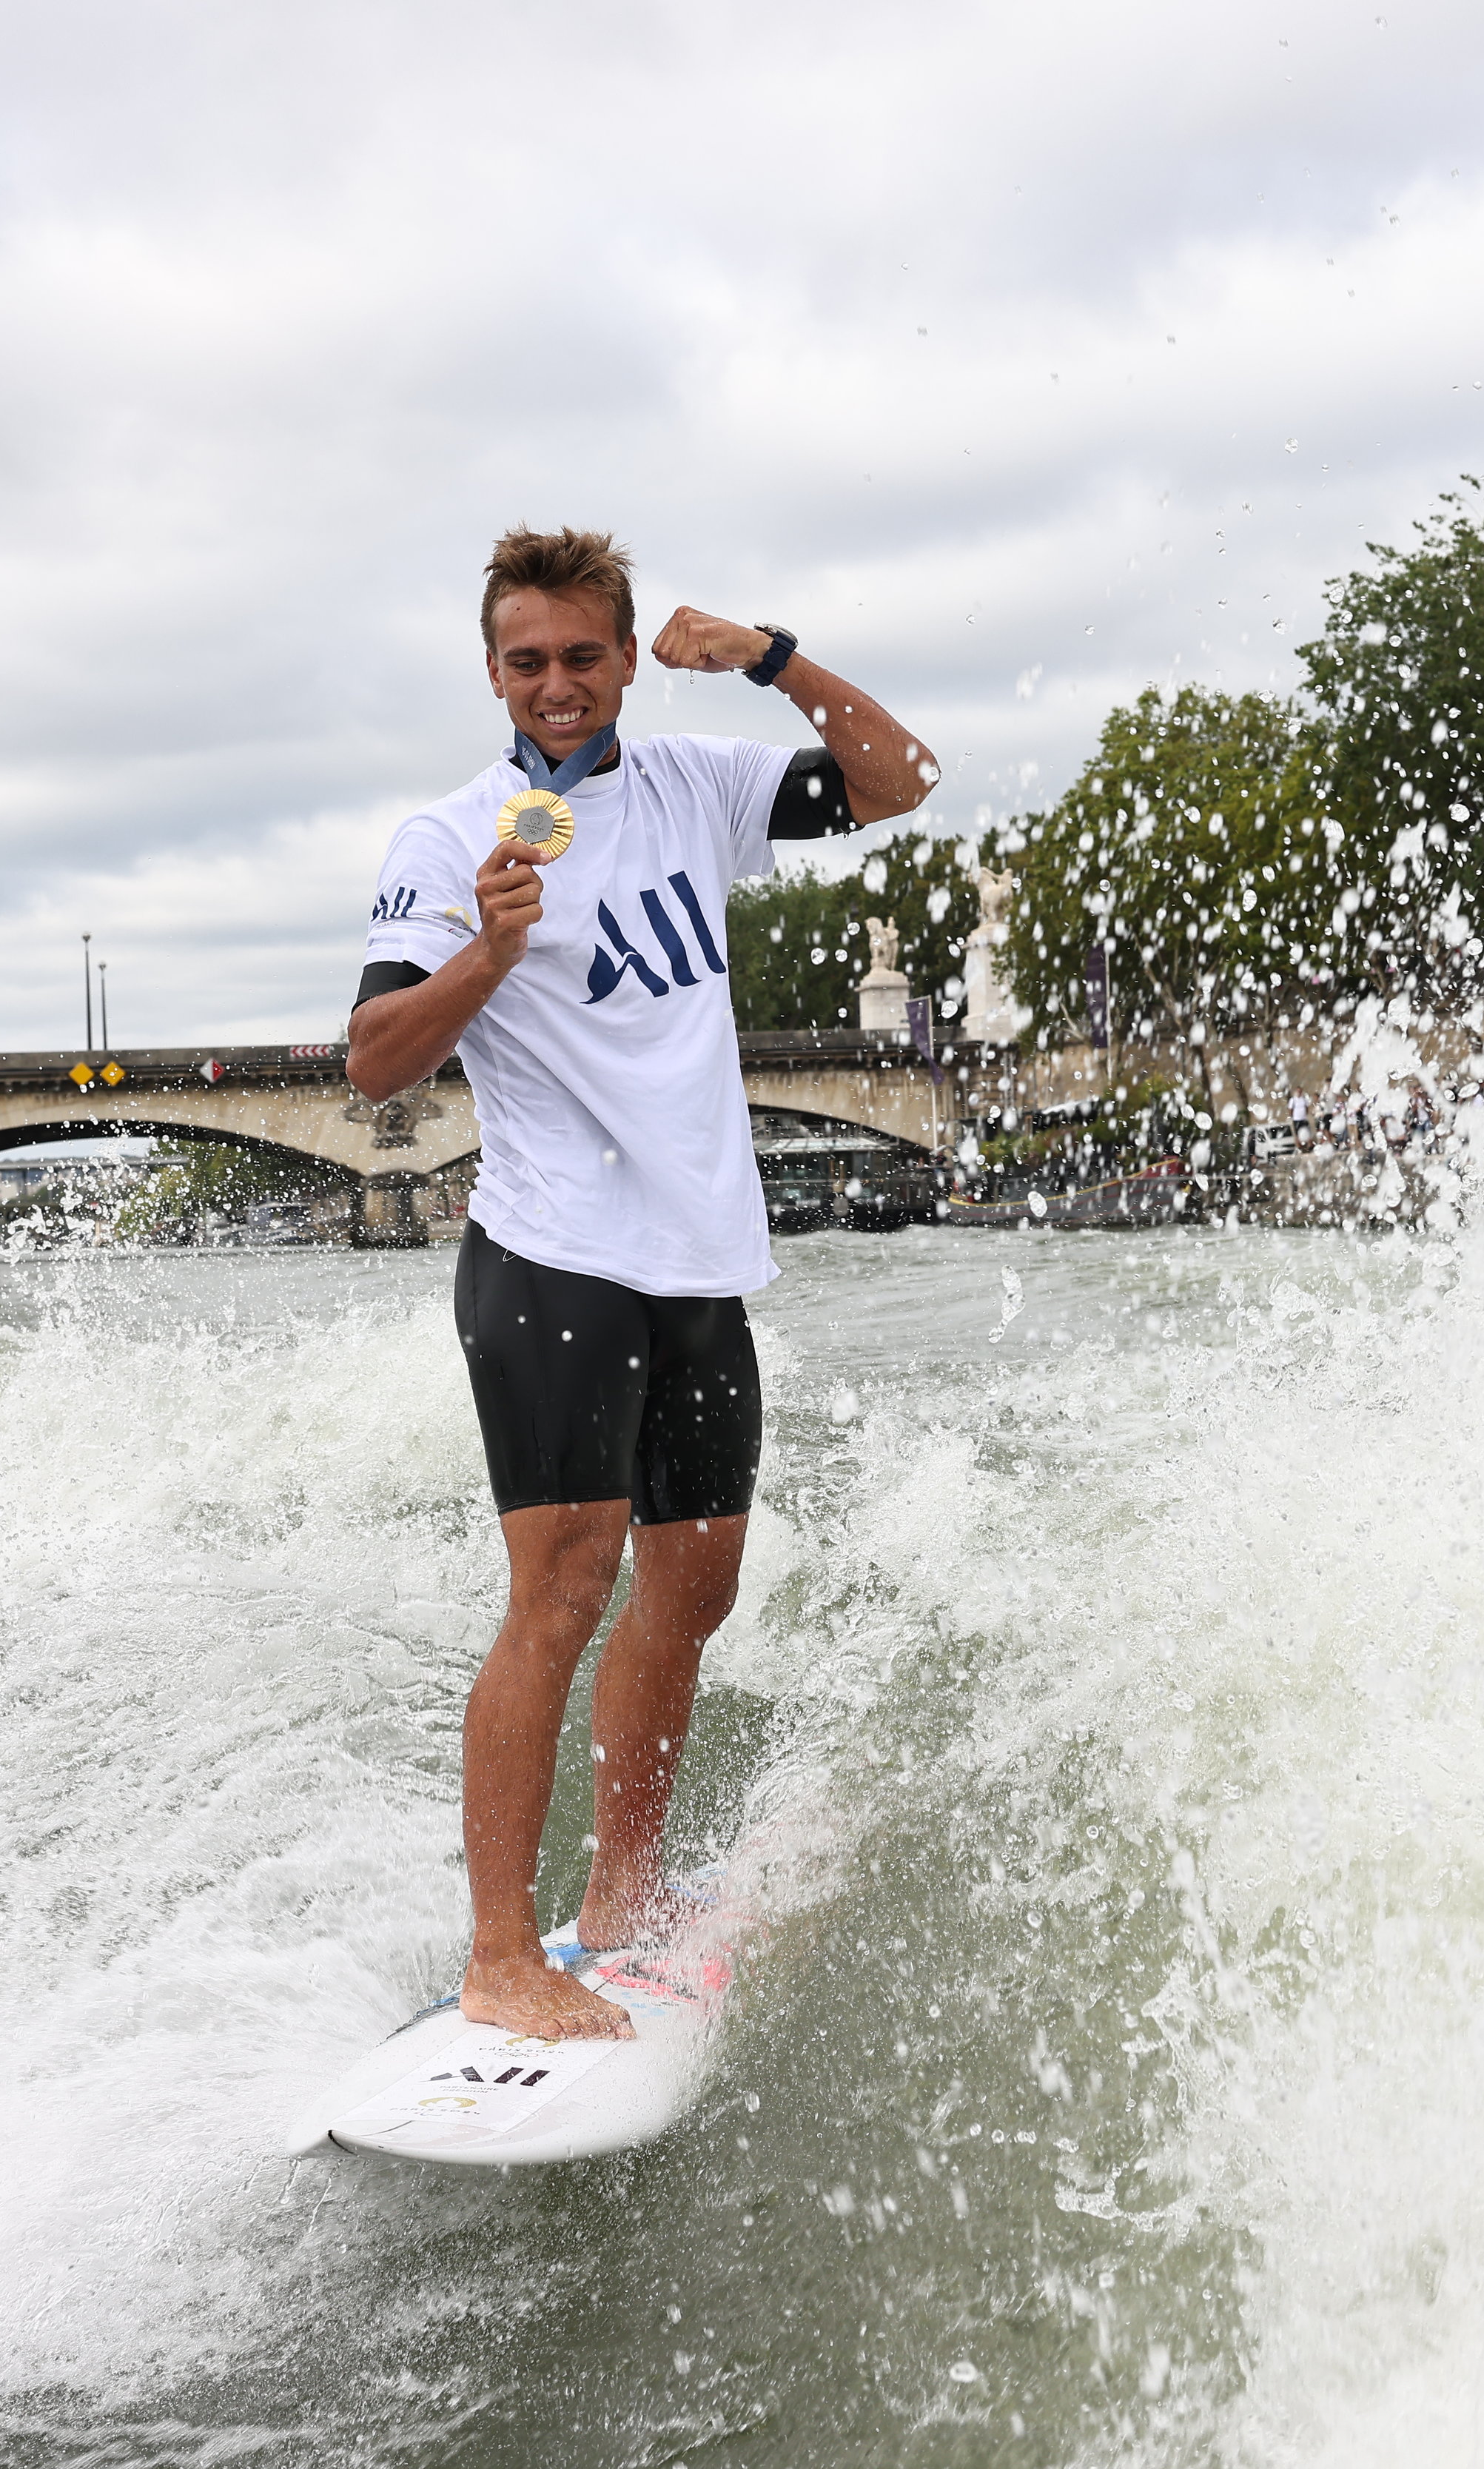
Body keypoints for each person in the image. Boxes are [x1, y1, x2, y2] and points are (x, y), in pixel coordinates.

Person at [345, 527, 937, 2040]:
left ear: (624, 658)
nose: (556, 683)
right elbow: (372, 1067)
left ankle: (622, 1896)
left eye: (583, 655)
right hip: (551, 1256)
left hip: (698, 1264)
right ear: (492, 671)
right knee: (560, 1597)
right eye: (527, 659)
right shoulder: (449, 838)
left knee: (691, 1591)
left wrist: (770, 657)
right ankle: (499, 1958)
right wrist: (485, 954)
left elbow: (899, 779)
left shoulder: (696, 788)